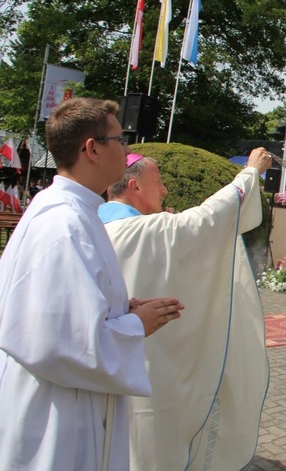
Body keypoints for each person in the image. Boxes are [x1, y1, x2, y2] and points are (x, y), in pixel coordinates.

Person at [0, 97, 183, 470]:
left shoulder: (73, 211)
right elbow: (58, 341)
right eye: (121, 141)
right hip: (58, 413)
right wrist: (135, 325)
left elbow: (66, 307)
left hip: (61, 400)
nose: (127, 150)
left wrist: (121, 308)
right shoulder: (64, 224)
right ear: (92, 149)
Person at [98, 148, 273, 470]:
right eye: (159, 182)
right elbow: (206, 221)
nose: (164, 190)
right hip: (146, 365)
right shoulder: (140, 230)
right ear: (135, 187)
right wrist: (250, 172)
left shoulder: (95, 226)